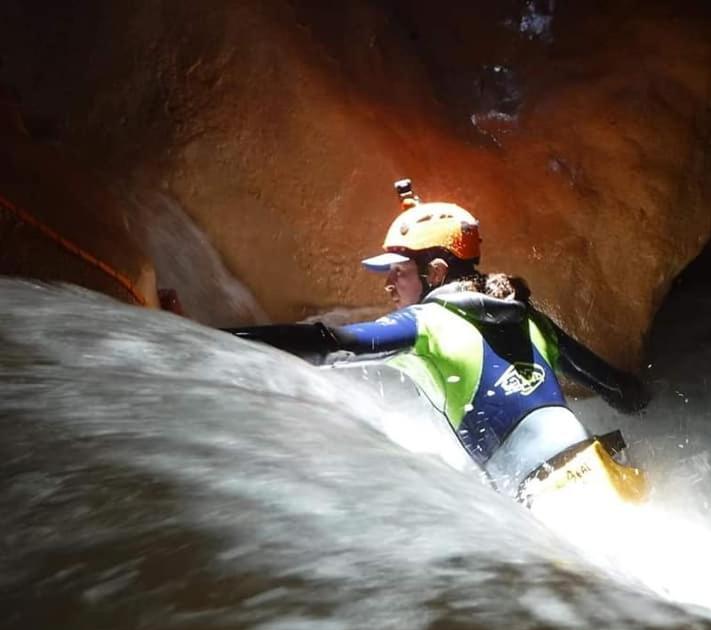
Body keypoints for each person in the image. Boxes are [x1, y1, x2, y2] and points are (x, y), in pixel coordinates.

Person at [226, 179, 648, 501]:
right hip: (610, 470)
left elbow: (330, 343)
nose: (389, 284)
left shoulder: (426, 323)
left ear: (438, 273)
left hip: (550, 497)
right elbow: (625, 394)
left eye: (400, 270)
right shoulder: (528, 318)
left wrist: (211, 341)